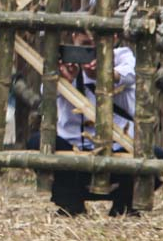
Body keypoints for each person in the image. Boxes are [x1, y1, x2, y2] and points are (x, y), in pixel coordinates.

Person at [46, 30, 136, 216]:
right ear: (74, 38)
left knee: (157, 156)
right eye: (86, 46)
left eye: (99, 46)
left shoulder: (122, 56)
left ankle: (123, 205)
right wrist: (64, 82)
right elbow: (44, 96)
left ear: (115, 39)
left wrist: (108, 74)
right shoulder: (66, 63)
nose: (92, 53)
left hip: (118, 150)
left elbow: (130, 73)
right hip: (73, 154)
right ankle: (71, 204)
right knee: (39, 142)